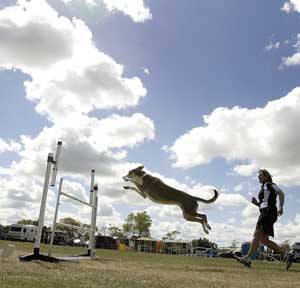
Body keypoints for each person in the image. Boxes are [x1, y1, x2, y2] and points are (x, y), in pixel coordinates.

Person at [235, 169, 294, 270]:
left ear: (266, 176)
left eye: (260, 175)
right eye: (258, 175)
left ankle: (247, 259)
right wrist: (257, 204)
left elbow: (281, 193)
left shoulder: (269, 184)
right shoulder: (264, 187)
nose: (258, 177)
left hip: (268, 212)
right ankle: (286, 255)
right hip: (266, 212)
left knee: (257, 233)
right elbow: (265, 203)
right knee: (264, 240)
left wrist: (281, 207)